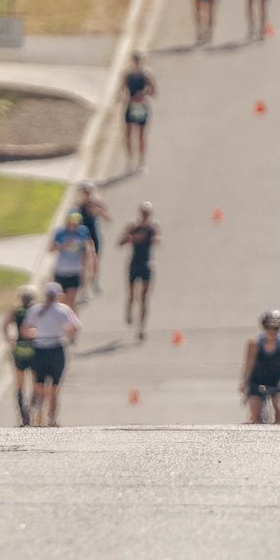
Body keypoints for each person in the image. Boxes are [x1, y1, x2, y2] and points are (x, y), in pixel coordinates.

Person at [21, 282, 81, 427]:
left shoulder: (36, 310)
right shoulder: (63, 310)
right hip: (56, 348)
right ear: (59, 296)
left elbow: (24, 330)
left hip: (40, 348)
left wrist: (36, 334)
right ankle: (51, 418)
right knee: (54, 388)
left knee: (40, 386)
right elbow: (75, 327)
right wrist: (67, 335)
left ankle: (39, 415)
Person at [242, 310, 280, 424]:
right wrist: (244, 382)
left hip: (277, 380)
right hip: (257, 379)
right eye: (268, 327)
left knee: (279, 409)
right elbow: (249, 364)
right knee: (255, 412)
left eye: (275, 328)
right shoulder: (254, 343)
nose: (271, 331)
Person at [120, 203, 158, 341]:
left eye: (147, 213)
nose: (145, 215)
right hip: (134, 263)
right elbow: (120, 242)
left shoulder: (152, 227)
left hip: (146, 264)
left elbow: (157, 240)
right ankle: (129, 310)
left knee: (144, 297)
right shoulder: (133, 226)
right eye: (143, 212)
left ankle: (142, 327)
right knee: (131, 294)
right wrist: (130, 238)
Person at [2, 287, 37, 425]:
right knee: (35, 384)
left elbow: (4, 326)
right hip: (34, 349)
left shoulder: (16, 311)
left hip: (20, 348)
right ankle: (31, 411)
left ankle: (22, 414)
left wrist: (10, 340)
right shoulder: (36, 311)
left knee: (19, 385)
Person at [119, 50, 155, 172]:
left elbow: (153, 91)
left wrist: (144, 94)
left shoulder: (147, 75)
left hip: (141, 106)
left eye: (138, 60)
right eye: (135, 60)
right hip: (131, 106)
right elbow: (122, 90)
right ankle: (130, 160)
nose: (137, 62)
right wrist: (124, 98)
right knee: (128, 135)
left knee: (141, 135)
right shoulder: (127, 74)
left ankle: (141, 161)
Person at [49, 209, 93, 307]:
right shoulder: (60, 233)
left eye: (77, 222)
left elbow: (87, 249)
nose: (74, 225)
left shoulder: (83, 232)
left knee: (71, 301)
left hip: (75, 271)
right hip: (60, 270)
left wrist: (86, 268)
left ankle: (72, 316)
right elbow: (51, 249)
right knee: (60, 301)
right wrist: (63, 245)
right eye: (72, 222)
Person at [76, 182, 110, 296]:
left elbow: (108, 218)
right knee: (84, 263)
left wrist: (98, 211)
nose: (87, 194)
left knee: (96, 259)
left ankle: (95, 280)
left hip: (94, 233)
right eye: (85, 192)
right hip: (83, 236)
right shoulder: (79, 205)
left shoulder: (97, 202)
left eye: (89, 192)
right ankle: (84, 289)